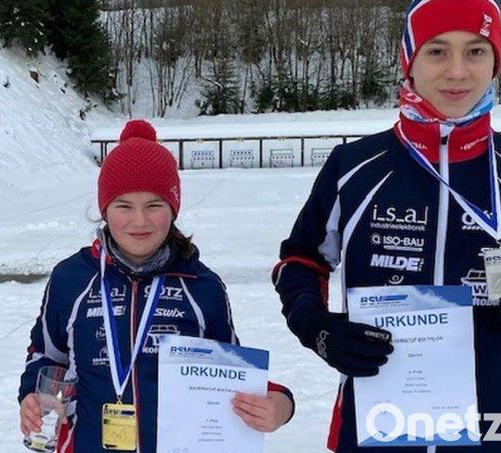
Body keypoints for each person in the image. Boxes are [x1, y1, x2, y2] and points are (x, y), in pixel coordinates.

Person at [274, 0, 501, 452]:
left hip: (495, 414)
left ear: (497, 63)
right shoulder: (353, 167)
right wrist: (318, 327)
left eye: (476, 51)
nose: (457, 72)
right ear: (408, 62)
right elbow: (300, 261)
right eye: (436, 51)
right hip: (378, 411)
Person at [18, 120, 296, 452]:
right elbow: (46, 355)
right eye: (124, 206)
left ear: (173, 209)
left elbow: (229, 378)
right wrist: (32, 396)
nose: (139, 221)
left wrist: (280, 402)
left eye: (154, 205)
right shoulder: (71, 279)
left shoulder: (202, 287)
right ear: (105, 210)